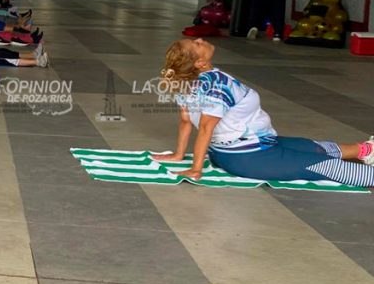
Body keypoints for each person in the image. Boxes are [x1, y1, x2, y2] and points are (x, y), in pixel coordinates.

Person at [156, 37, 374, 186]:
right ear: (200, 62)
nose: (201, 40)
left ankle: (365, 150)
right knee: (324, 166)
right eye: (196, 44)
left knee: (312, 147)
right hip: (250, 156)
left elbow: (185, 121)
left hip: (247, 147)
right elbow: (205, 127)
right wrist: (196, 169)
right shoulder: (217, 84)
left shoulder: (184, 81)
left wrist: (178, 154)